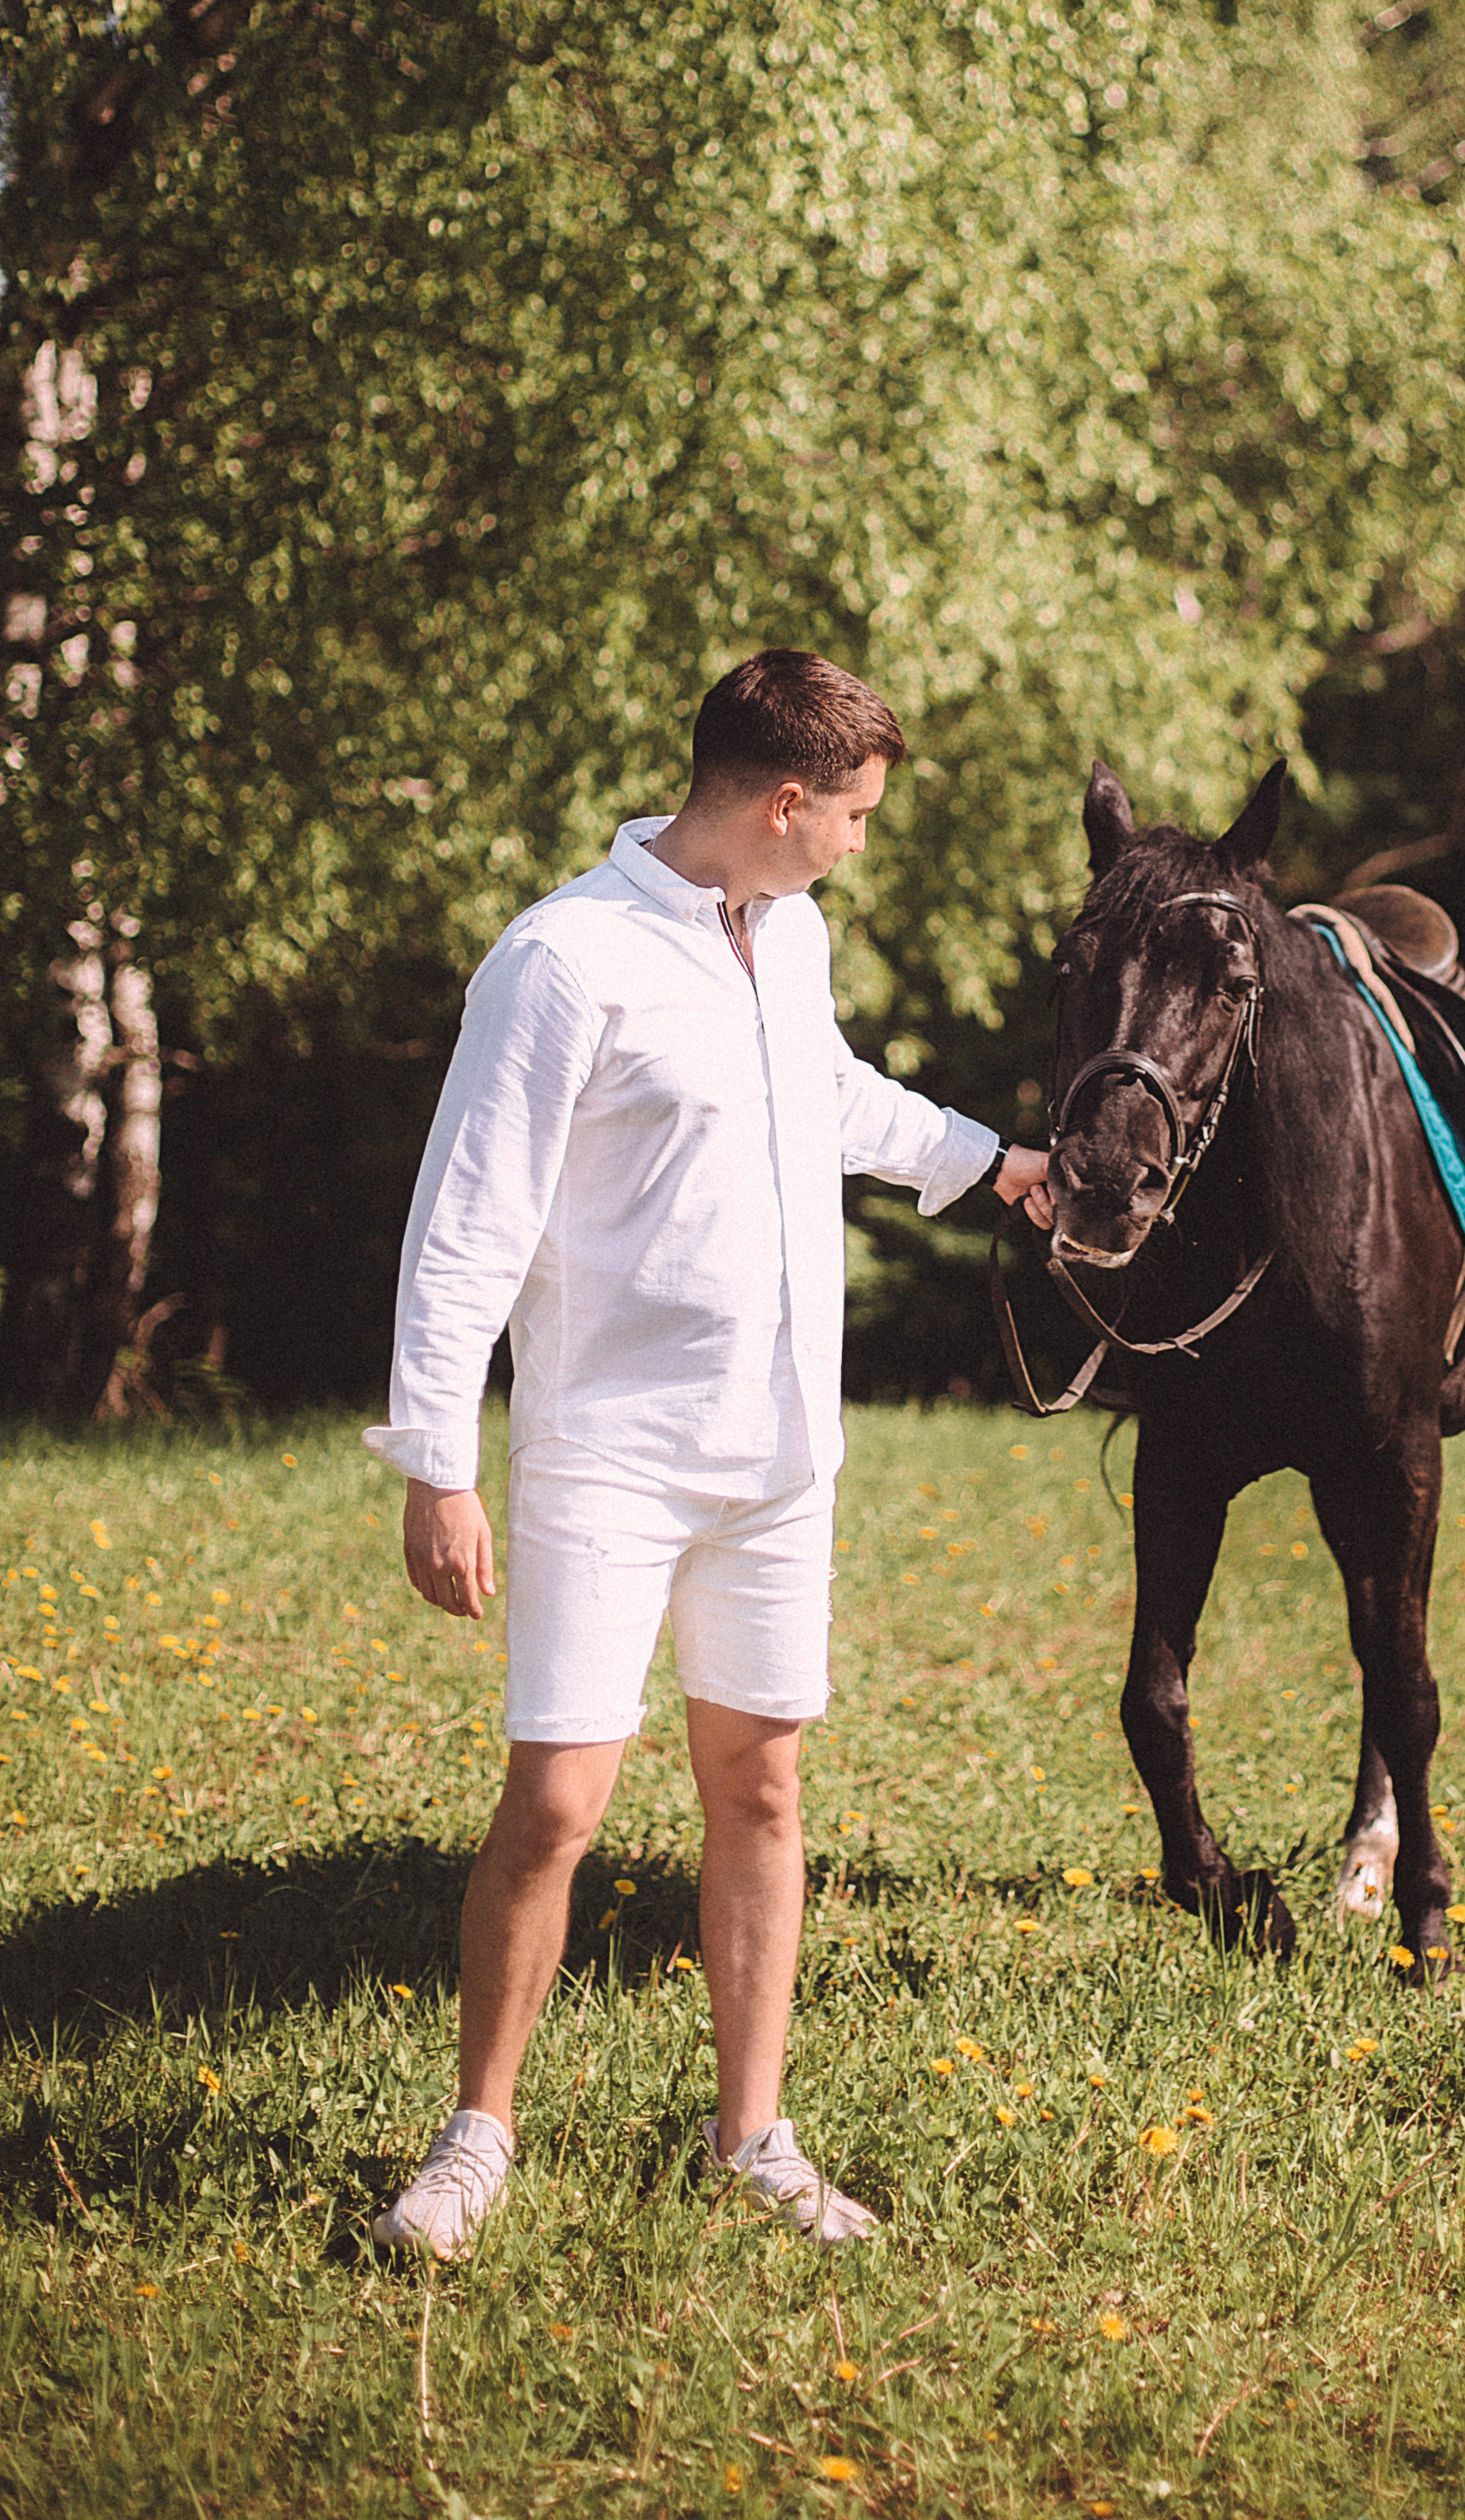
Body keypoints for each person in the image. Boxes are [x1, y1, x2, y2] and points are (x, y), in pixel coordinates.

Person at [361, 650, 1052, 2257]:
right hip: (609, 1454)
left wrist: (992, 1163)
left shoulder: (785, 937)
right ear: (785, 800)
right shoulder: (561, 962)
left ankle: (756, 2138)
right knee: (559, 1804)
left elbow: (830, 1099)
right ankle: (476, 2141)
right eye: (858, 816)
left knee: (764, 1791)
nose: (865, 846)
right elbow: (465, 1220)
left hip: (781, 1453)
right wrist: (438, 1461)